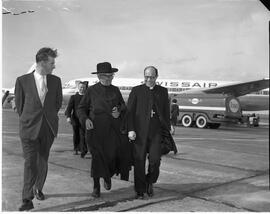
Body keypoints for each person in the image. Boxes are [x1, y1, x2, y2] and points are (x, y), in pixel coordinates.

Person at [15, 47, 62, 211]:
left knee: (42, 161)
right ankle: (27, 199)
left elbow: (57, 104)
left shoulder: (56, 81)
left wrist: (47, 118)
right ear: (42, 62)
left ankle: (38, 187)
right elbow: (20, 107)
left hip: (47, 128)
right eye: (52, 62)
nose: (54, 66)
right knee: (30, 163)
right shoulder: (22, 81)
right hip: (29, 129)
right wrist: (31, 119)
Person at [77, 62, 132, 198]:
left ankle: (107, 176)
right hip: (95, 130)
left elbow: (123, 106)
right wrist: (85, 119)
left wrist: (119, 110)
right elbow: (81, 108)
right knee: (97, 158)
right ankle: (96, 187)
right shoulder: (91, 90)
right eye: (106, 76)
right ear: (99, 77)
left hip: (113, 131)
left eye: (111, 76)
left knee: (111, 156)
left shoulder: (115, 90)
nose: (109, 79)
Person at [127, 66, 170, 199]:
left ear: (156, 77)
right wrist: (130, 129)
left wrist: (169, 126)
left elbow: (165, 111)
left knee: (155, 160)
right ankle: (140, 190)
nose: (149, 79)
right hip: (139, 132)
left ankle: (150, 181)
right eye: (146, 76)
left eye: (151, 77)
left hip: (156, 132)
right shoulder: (136, 91)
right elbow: (129, 112)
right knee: (139, 161)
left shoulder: (163, 91)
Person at [65, 81, 88, 157]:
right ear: (78, 88)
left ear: (86, 88)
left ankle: (83, 149)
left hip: (84, 119)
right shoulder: (74, 97)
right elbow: (69, 108)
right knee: (76, 134)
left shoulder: (87, 97)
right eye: (81, 87)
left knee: (83, 134)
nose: (82, 89)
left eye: (83, 87)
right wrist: (68, 117)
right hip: (75, 119)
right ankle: (76, 148)